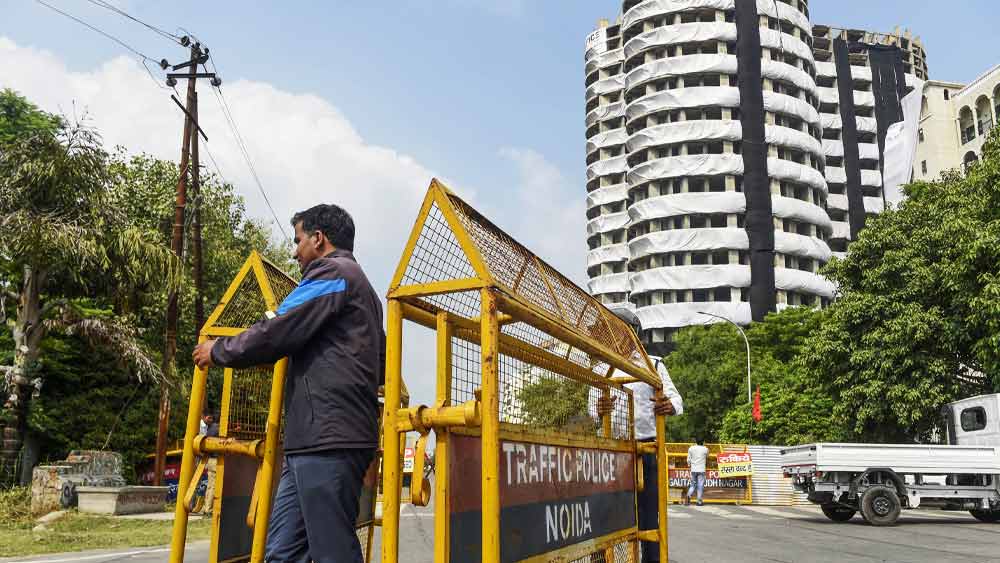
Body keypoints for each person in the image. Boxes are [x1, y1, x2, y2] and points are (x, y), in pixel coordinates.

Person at [192, 204, 384, 563]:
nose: (294, 251)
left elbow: (276, 330)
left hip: (328, 439)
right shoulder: (365, 292)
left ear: (318, 238)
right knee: (283, 552)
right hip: (314, 440)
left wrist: (218, 349)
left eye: (298, 241)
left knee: (332, 552)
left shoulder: (332, 273)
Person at [597, 356, 682, 563]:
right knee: (604, 512)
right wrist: (598, 410)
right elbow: (593, 409)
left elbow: (676, 399)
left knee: (649, 515)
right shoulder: (602, 365)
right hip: (612, 449)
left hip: (648, 447)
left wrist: (669, 405)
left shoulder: (653, 364)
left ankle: (652, 559)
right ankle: (602, 559)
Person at [686, 438, 709, 506]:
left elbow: (688, 459)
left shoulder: (691, 448)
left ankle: (688, 496)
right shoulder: (705, 449)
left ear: (696, 441)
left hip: (693, 469)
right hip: (701, 469)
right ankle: (699, 501)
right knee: (700, 486)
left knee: (693, 485)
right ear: (703, 442)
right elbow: (707, 456)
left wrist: (689, 465)